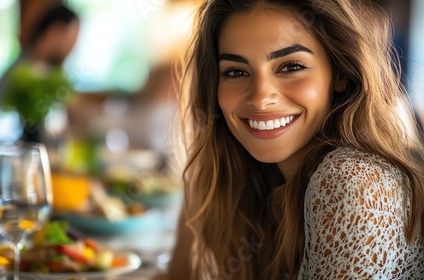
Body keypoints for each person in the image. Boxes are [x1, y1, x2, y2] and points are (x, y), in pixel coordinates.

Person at [161, 0, 424, 279]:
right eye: (235, 72)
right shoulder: (242, 175)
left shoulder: (352, 180)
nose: (261, 99)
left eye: (290, 67)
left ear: (340, 74)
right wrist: (205, 178)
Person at [0, 3, 80, 142]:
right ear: (54, 30)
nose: (72, 47)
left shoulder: (56, 75)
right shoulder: (19, 71)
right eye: (71, 37)